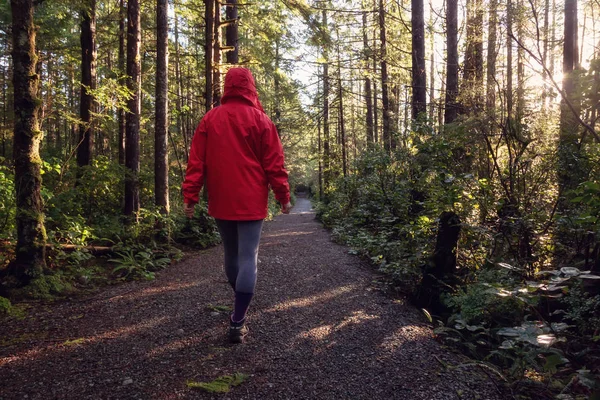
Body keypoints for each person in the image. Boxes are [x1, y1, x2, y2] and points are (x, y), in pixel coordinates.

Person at [182, 68, 292, 344]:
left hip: (221, 198)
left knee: (231, 255)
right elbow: (274, 164)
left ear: (227, 87)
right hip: (252, 199)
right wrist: (283, 196)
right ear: (251, 87)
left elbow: (197, 162)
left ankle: (239, 307)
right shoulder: (262, 120)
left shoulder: (210, 118)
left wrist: (191, 196)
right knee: (248, 258)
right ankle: (238, 319)